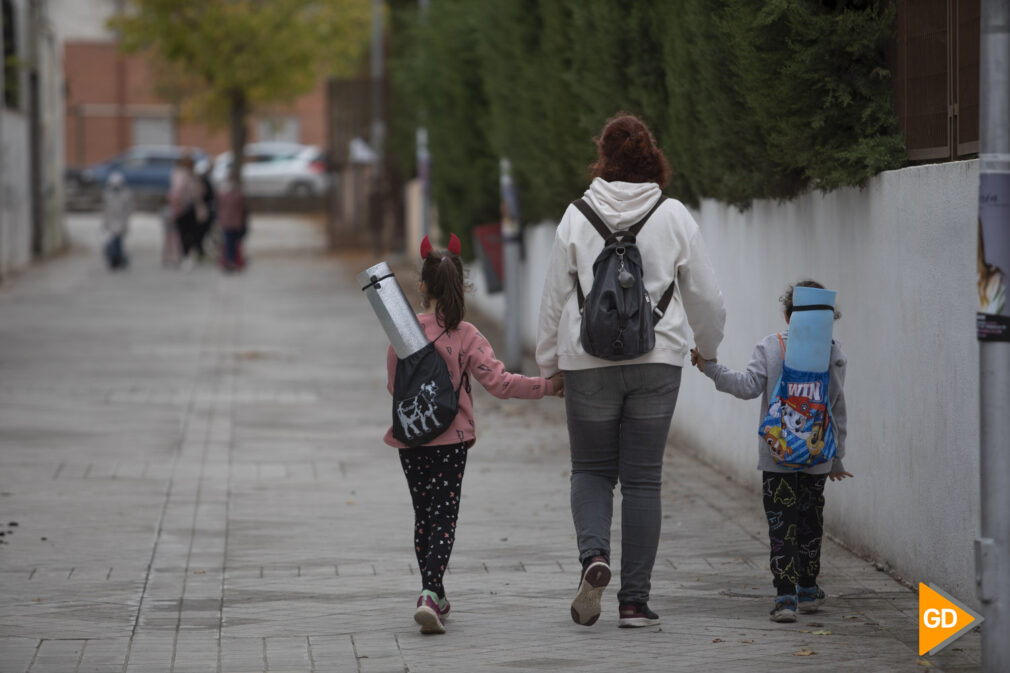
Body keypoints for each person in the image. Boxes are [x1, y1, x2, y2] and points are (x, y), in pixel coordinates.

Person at [536, 113, 726, 628]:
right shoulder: (674, 214)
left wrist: (551, 365)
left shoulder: (577, 215)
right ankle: (634, 603)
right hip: (657, 361)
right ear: (651, 155)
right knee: (643, 482)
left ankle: (594, 558)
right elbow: (706, 295)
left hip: (587, 364)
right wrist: (706, 348)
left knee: (592, 470)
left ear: (603, 156)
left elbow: (554, 298)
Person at [385, 238, 564, 635]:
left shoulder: (402, 332)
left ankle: (436, 594)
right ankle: (430, 592)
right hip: (450, 441)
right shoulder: (466, 335)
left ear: (423, 287)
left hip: (411, 440)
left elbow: (394, 386)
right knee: (444, 516)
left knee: (424, 516)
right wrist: (548, 386)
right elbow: (499, 384)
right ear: (461, 286)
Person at [690, 279, 851, 623]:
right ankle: (808, 588)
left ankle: (785, 599)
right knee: (811, 522)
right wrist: (837, 457)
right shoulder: (834, 351)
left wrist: (709, 367)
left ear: (787, 313)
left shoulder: (771, 346)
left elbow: (746, 387)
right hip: (818, 456)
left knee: (782, 525)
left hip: (776, 456)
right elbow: (836, 408)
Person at [169, 155, 206, 270]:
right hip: (184, 209)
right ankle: (185, 256)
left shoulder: (189, 176)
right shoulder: (182, 176)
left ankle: (187, 256)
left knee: (189, 233)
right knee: (185, 233)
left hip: (188, 209)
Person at [101, 171, 133, 270]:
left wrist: (126, 223)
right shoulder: (108, 195)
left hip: (121, 221)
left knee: (118, 241)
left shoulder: (126, 195)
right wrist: (105, 222)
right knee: (115, 241)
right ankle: (115, 259)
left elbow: (128, 210)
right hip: (112, 222)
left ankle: (118, 259)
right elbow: (106, 211)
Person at [217, 179, 246, 272]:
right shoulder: (237, 195)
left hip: (229, 223)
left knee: (230, 243)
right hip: (233, 223)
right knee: (232, 243)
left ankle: (231, 261)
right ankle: (231, 261)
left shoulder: (224, 195)